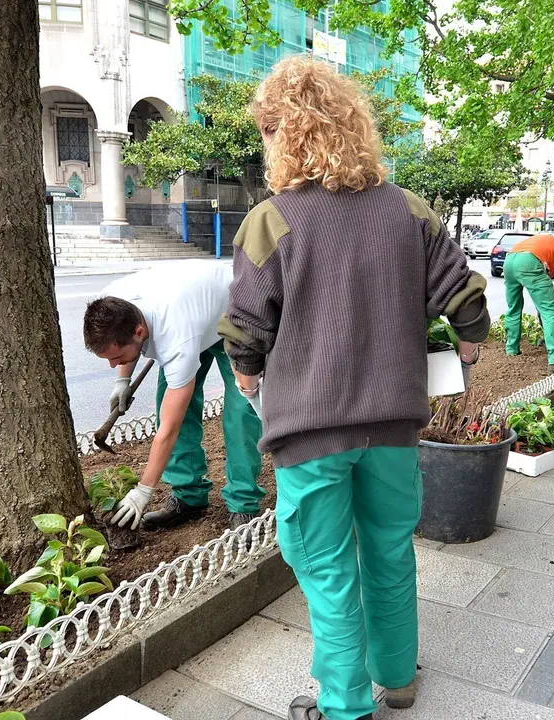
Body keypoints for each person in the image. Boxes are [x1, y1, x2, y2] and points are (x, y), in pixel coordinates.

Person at [220, 56, 489, 720]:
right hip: (394, 427)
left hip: (310, 432)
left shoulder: (272, 220)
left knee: (327, 570)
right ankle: (396, 678)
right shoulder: (409, 212)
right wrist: (470, 339)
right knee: (391, 550)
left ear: (285, 135)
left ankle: (343, 706)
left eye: (267, 133)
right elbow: (464, 297)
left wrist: (248, 371)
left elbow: (247, 329)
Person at [82, 263, 265, 531]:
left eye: (116, 359)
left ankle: (243, 505)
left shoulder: (176, 339)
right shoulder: (112, 304)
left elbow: (169, 429)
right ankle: (188, 497)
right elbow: (123, 343)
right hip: (193, 312)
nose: (112, 365)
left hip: (235, 314)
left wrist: (144, 490)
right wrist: (122, 379)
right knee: (165, 400)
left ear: (140, 332)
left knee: (241, 412)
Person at [503, 233, 554, 372]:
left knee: (513, 308)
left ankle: (511, 349)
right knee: (552, 312)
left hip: (509, 260)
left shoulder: (550, 242)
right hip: (529, 260)